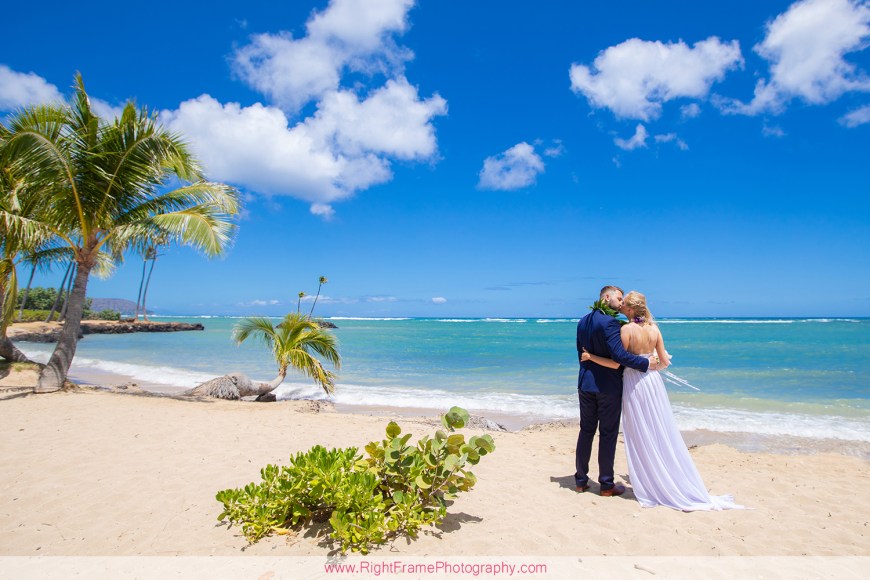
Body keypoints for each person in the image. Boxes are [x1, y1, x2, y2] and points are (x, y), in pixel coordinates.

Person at [581, 291, 744, 511]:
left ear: (630, 309)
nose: (620, 306)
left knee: (639, 432)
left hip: (634, 383)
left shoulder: (624, 329)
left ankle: (645, 481)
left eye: (623, 303)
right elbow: (664, 362)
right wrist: (651, 364)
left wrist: (591, 357)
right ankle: (658, 476)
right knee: (658, 427)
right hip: (654, 383)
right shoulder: (654, 329)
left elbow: (618, 362)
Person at [575, 285, 657, 496]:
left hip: (585, 384)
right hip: (607, 387)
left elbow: (580, 354)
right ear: (606, 297)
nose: (621, 303)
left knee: (586, 431)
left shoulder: (582, 321)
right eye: (619, 299)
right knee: (608, 434)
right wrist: (645, 363)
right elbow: (619, 356)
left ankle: (580, 480)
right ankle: (606, 484)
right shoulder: (610, 323)